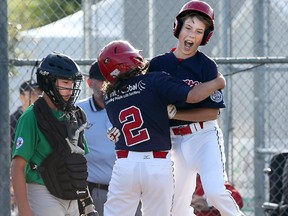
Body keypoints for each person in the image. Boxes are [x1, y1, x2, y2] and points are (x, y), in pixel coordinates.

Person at [97, 40, 225, 216]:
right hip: (156, 164)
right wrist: (218, 82)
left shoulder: (109, 96)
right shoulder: (154, 80)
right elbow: (194, 96)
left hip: (124, 164)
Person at [148, 1, 245, 215]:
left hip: (203, 137)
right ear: (178, 28)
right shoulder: (157, 65)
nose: (192, 35)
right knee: (176, 206)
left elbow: (212, 112)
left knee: (216, 192)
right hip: (173, 141)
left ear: (204, 37)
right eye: (188, 28)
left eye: (199, 31)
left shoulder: (206, 66)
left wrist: (177, 113)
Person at [10, 52, 98, 216]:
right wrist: (24, 210)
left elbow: (76, 163)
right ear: (49, 82)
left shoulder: (75, 115)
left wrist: (87, 203)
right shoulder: (32, 116)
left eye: (72, 83)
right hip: (42, 191)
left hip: (71, 193)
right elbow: (17, 166)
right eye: (65, 82)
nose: (70, 89)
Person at [77, 61, 143, 216]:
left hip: (131, 190)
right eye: (102, 79)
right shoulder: (79, 110)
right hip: (97, 191)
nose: (108, 82)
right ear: (89, 82)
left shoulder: (130, 106)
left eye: (112, 77)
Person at [10, 80, 42, 151]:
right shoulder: (13, 121)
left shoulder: (44, 116)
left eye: (39, 93)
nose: (38, 97)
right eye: (33, 94)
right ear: (22, 97)